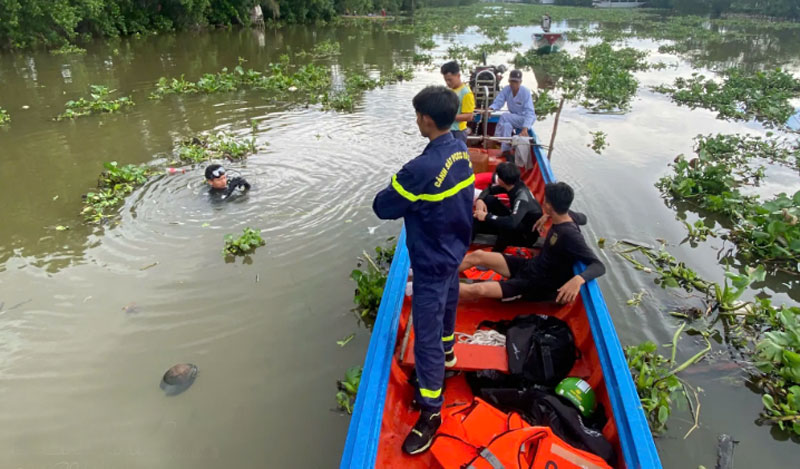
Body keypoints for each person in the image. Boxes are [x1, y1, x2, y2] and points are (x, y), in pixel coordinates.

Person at [373, 86, 474, 455]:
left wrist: (401, 184)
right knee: (449, 307)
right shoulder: (461, 149)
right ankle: (449, 356)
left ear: (426, 119)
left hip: (431, 261)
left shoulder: (420, 169)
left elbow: (383, 207)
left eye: (418, 115)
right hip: (454, 252)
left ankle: (432, 410)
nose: (417, 120)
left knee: (426, 337)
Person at [459, 181, 603, 304]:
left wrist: (578, 279)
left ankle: (443, 290)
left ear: (549, 205)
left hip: (536, 284)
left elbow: (598, 265)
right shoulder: (568, 215)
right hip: (531, 266)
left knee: (478, 289)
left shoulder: (570, 234)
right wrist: (547, 215)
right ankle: (444, 273)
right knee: (479, 255)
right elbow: (584, 218)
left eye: (545, 200)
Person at [473, 162, 543, 252]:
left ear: (502, 181)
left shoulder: (522, 198)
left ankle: (496, 252)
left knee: (506, 228)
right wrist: (480, 199)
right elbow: (489, 189)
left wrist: (487, 217)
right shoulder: (513, 185)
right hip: (517, 220)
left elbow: (512, 222)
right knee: (489, 199)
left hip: (525, 235)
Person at [487, 69, 536, 160]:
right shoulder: (507, 89)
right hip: (514, 118)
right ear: (509, 81)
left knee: (504, 116)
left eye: (516, 82)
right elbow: (499, 101)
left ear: (520, 82)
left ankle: (495, 139)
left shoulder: (525, 92)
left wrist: (525, 128)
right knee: (506, 125)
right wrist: (491, 109)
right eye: (512, 81)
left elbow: (530, 112)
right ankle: (505, 150)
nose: (513, 84)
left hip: (525, 119)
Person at [441, 61, 476, 145]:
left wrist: (449, 117)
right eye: (446, 80)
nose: (448, 83)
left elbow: (469, 116)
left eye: (450, 80)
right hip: (446, 129)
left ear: (458, 76)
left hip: (458, 131)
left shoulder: (466, 93)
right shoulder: (448, 90)